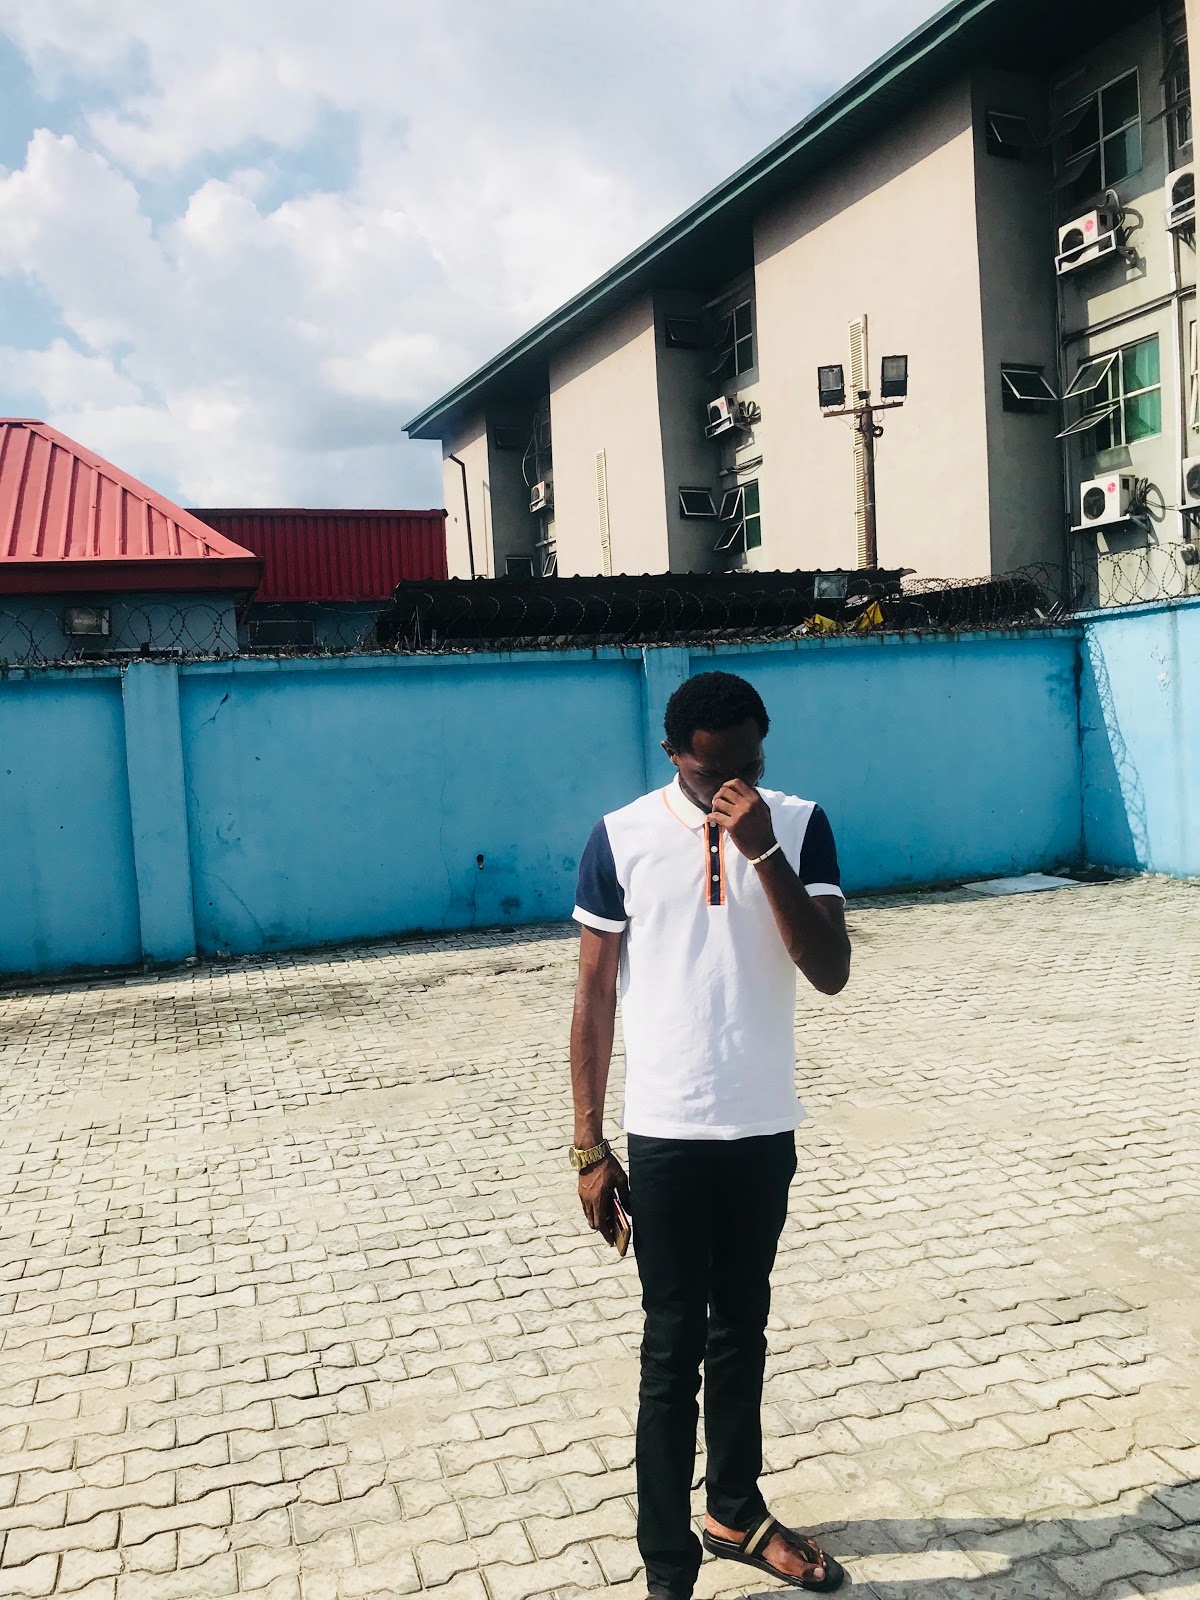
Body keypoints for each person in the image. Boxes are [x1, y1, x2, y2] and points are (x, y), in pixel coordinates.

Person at [568, 670, 851, 1596]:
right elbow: (594, 997)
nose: (732, 786)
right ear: (672, 755)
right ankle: (667, 1568)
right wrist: (588, 1144)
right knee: (670, 1351)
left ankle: (734, 1510)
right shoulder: (620, 836)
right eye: (710, 772)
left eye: (750, 766)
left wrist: (762, 848)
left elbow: (830, 969)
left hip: (762, 1126)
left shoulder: (799, 823)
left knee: (743, 1331)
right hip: (667, 1134)